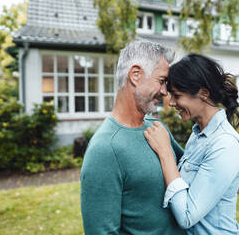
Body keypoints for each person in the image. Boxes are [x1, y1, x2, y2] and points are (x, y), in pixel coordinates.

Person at [80, 41, 186, 234]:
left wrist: (226, 166)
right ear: (135, 75)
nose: (164, 92)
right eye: (161, 81)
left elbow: (192, 167)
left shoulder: (157, 128)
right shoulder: (105, 150)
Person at [144, 53, 239, 235]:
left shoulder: (224, 144)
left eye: (177, 96)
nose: (172, 103)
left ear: (204, 93)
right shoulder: (199, 135)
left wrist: (165, 151)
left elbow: (187, 216)